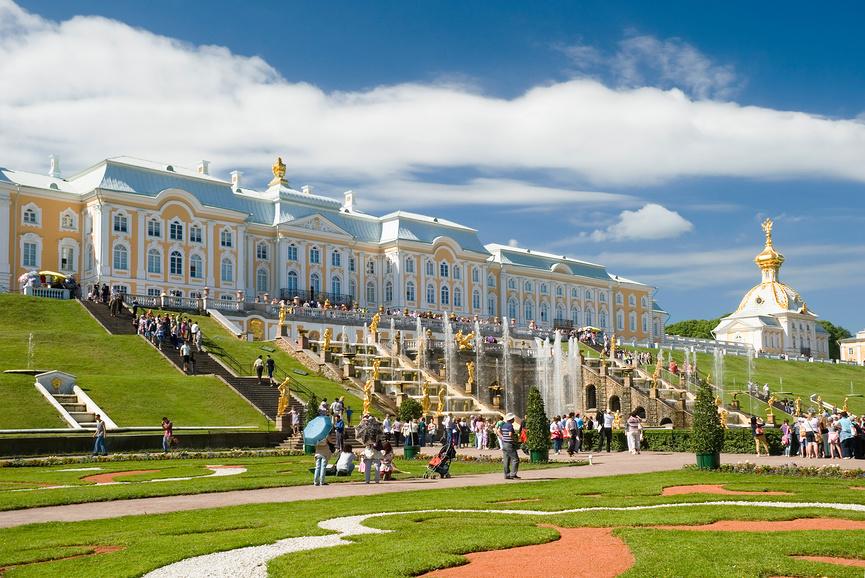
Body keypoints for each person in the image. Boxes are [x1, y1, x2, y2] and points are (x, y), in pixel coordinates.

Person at [497, 413, 520, 479]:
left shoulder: (504, 425)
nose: (514, 419)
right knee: (515, 459)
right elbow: (510, 434)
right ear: (511, 419)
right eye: (513, 418)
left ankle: (507, 474)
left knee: (506, 460)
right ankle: (512, 474)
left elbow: (498, 431)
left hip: (505, 444)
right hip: (510, 444)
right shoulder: (510, 425)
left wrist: (502, 437)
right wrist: (515, 439)